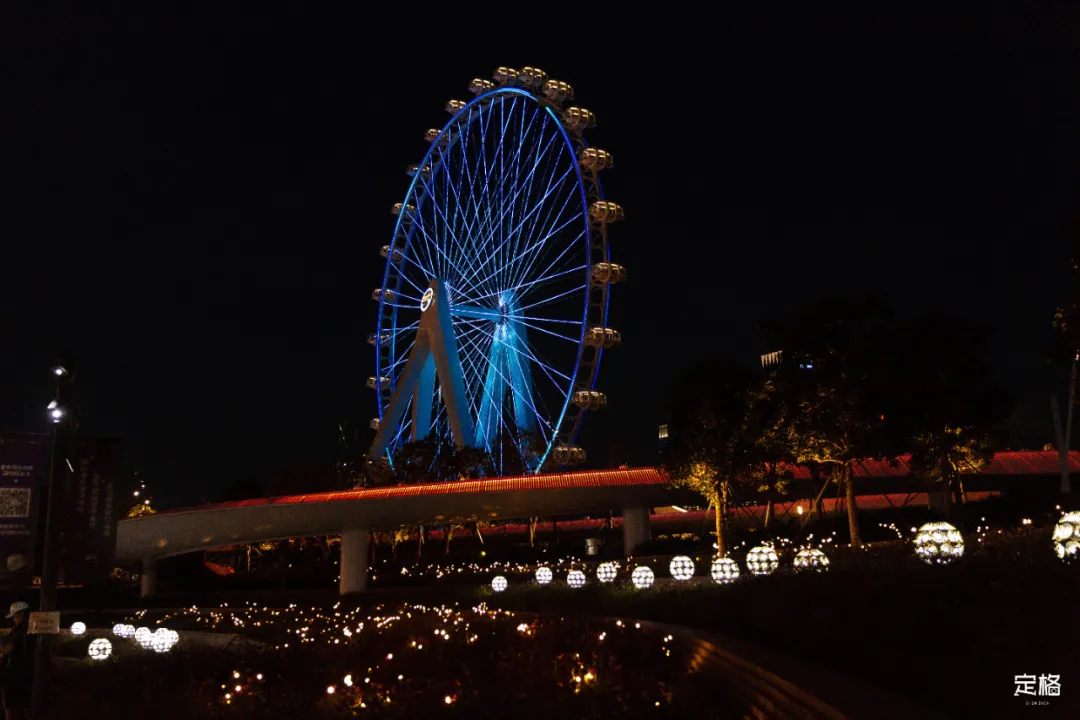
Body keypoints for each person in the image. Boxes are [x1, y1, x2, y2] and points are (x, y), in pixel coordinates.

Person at [0, 602, 34, 720]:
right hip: (22, 673)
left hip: (14, 675)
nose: (14, 619)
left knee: (12, 707)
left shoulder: (19, 631)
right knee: (21, 706)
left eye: (14, 616)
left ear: (21, 614)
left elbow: (6, 649)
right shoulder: (30, 630)